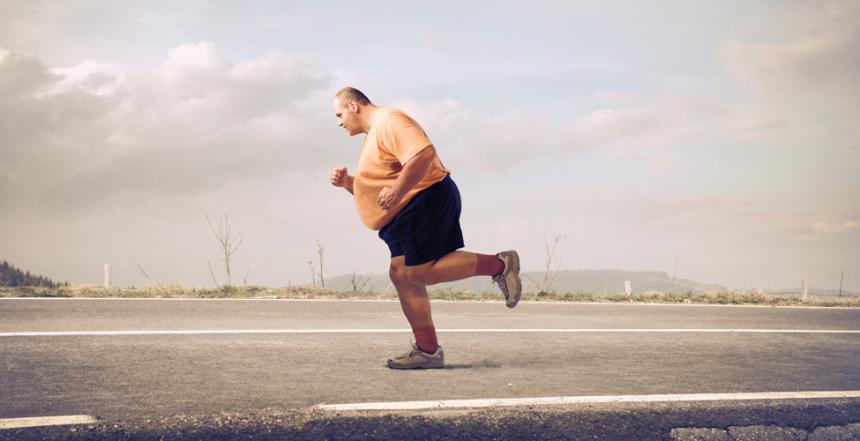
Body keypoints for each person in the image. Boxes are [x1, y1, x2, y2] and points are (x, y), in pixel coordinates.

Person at [329, 87, 521, 369]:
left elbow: (424, 155)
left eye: (339, 114)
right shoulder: (374, 135)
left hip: (425, 200)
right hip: (404, 210)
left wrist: (396, 190)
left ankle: (500, 265)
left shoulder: (390, 122)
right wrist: (350, 184)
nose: (339, 122)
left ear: (354, 106)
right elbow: (383, 184)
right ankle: (428, 350)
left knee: (416, 272)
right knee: (401, 275)